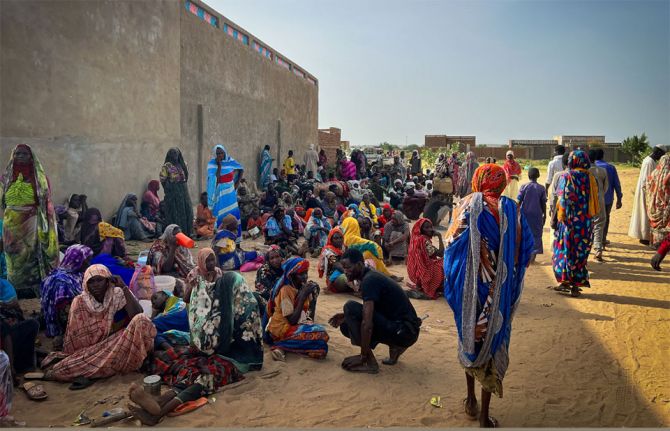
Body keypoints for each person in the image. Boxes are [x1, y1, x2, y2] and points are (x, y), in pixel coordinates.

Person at [443, 163, 533, 428]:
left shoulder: (464, 206)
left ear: (478, 180)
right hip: (497, 292)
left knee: (469, 337)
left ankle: (470, 399)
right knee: (491, 345)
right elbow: (524, 253)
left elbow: (450, 247)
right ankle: (483, 416)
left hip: (468, 292)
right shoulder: (510, 210)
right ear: (502, 182)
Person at [41, 264, 156, 382]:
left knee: (142, 320)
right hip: (91, 350)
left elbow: (137, 313)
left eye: (99, 280)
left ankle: (146, 360)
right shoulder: (79, 302)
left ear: (107, 281)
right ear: (86, 283)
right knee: (66, 368)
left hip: (111, 342)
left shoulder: (116, 293)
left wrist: (124, 287)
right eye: (91, 281)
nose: (95, 285)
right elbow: (75, 339)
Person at [329, 249, 422, 373]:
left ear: (359, 265)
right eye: (344, 268)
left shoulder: (369, 280)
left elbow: (367, 324)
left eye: (348, 267)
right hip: (408, 329)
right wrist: (346, 316)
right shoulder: (370, 275)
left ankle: (369, 362)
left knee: (350, 307)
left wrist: (362, 357)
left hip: (404, 331)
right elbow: (377, 309)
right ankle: (395, 347)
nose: (345, 272)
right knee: (347, 323)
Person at [1, 144, 59, 299]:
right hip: (10, 222)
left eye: (24, 154)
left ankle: (31, 287)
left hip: (31, 221)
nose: (20, 156)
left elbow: (46, 201)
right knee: (13, 255)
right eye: (17, 153)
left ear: (31, 156)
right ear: (12, 155)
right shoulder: (5, 178)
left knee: (28, 254)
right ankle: (15, 287)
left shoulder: (40, 179)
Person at [190, 272, 264, 371]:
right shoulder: (228, 302)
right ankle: (251, 359)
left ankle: (250, 359)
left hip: (247, 344)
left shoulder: (248, 303)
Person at [552, 151, 599, 297]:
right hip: (585, 223)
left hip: (569, 222)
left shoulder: (567, 176)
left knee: (566, 251)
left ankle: (565, 281)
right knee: (579, 254)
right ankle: (574, 285)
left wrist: (557, 217)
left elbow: (563, 199)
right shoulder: (590, 178)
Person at [266, 258, 328, 359]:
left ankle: (284, 348)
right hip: (281, 328)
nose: (305, 277)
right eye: (301, 274)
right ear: (292, 275)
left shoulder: (302, 287)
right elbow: (292, 320)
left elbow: (309, 316)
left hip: (296, 324)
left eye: (306, 273)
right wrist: (303, 296)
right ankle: (280, 345)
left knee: (321, 340)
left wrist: (313, 297)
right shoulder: (286, 290)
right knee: (320, 333)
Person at [40, 244, 94, 350]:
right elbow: (63, 311)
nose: (89, 263)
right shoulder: (62, 281)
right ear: (77, 260)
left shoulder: (74, 274)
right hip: (63, 323)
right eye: (86, 260)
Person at [629, 146, 666, 244]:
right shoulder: (649, 162)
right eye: (661, 154)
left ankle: (645, 236)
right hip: (646, 191)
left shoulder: (649, 160)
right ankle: (644, 237)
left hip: (646, 191)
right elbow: (647, 179)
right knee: (645, 214)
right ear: (658, 152)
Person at [207, 144, 244, 238]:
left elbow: (241, 169)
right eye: (218, 153)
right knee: (221, 215)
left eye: (221, 153)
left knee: (234, 213)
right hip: (220, 194)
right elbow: (217, 180)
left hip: (230, 193)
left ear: (224, 152)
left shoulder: (230, 161)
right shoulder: (212, 164)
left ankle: (237, 240)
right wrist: (219, 165)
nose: (220, 155)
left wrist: (236, 184)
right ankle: (222, 238)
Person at [407, 218, 444, 299]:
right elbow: (441, 254)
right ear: (420, 229)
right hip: (425, 272)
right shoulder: (423, 240)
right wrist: (440, 237)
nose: (430, 230)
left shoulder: (415, 239)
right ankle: (432, 286)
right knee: (444, 263)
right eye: (426, 228)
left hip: (414, 272)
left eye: (430, 227)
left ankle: (421, 286)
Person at [160, 148, 193, 238]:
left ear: (179, 154)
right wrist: (170, 189)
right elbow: (163, 179)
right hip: (173, 192)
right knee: (175, 212)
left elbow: (186, 177)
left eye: (176, 153)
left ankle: (188, 232)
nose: (174, 155)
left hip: (183, 191)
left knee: (187, 210)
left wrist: (182, 187)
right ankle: (176, 234)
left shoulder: (183, 164)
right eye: (172, 153)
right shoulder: (167, 166)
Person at [594, 149, 622, 246]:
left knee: (593, 219)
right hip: (607, 199)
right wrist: (619, 198)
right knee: (605, 218)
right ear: (603, 156)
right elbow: (616, 184)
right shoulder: (610, 167)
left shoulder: (590, 168)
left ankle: (594, 240)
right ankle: (602, 239)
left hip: (592, 200)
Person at [517, 167, 547, 261]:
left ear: (529, 176)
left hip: (525, 214)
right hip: (537, 215)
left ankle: (525, 254)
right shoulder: (541, 188)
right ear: (538, 176)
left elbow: (519, 201)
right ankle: (533, 256)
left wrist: (516, 212)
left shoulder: (524, 186)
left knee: (524, 232)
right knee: (536, 234)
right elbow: (543, 203)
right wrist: (544, 214)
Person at [645, 154, 670, 247]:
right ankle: (663, 245)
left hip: (653, 204)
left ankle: (654, 243)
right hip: (665, 203)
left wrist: (651, 196)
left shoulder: (654, 172)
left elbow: (647, 186)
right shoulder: (669, 174)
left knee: (654, 224)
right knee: (664, 224)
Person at [588, 150, 609, 261]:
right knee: (599, 225)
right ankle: (598, 249)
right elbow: (605, 188)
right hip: (599, 200)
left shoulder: (584, 171)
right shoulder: (602, 171)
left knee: (587, 226)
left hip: (586, 202)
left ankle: (586, 249)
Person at [318, 228, 352, 293]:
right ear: (331, 240)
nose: (339, 240)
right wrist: (352, 272)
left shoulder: (344, 247)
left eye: (341, 237)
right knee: (345, 277)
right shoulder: (328, 251)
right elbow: (336, 264)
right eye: (336, 238)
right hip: (334, 278)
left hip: (345, 270)